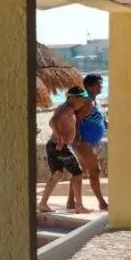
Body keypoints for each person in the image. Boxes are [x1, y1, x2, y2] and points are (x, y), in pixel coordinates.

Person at [39, 87, 89, 213]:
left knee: (57, 174)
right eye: (80, 99)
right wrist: (60, 137)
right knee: (77, 173)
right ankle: (79, 206)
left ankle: (43, 204)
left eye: (83, 100)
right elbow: (52, 121)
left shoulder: (64, 107)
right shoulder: (67, 108)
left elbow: (57, 121)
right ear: (72, 97)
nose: (82, 102)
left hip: (52, 145)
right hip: (61, 147)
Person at [68, 74, 108, 212]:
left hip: (89, 141)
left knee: (79, 171)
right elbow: (77, 118)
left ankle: (70, 202)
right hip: (84, 141)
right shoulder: (87, 101)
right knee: (94, 171)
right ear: (90, 86)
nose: (101, 86)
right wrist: (77, 135)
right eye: (98, 84)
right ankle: (102, 202)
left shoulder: (93, 100)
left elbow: (96, 118)